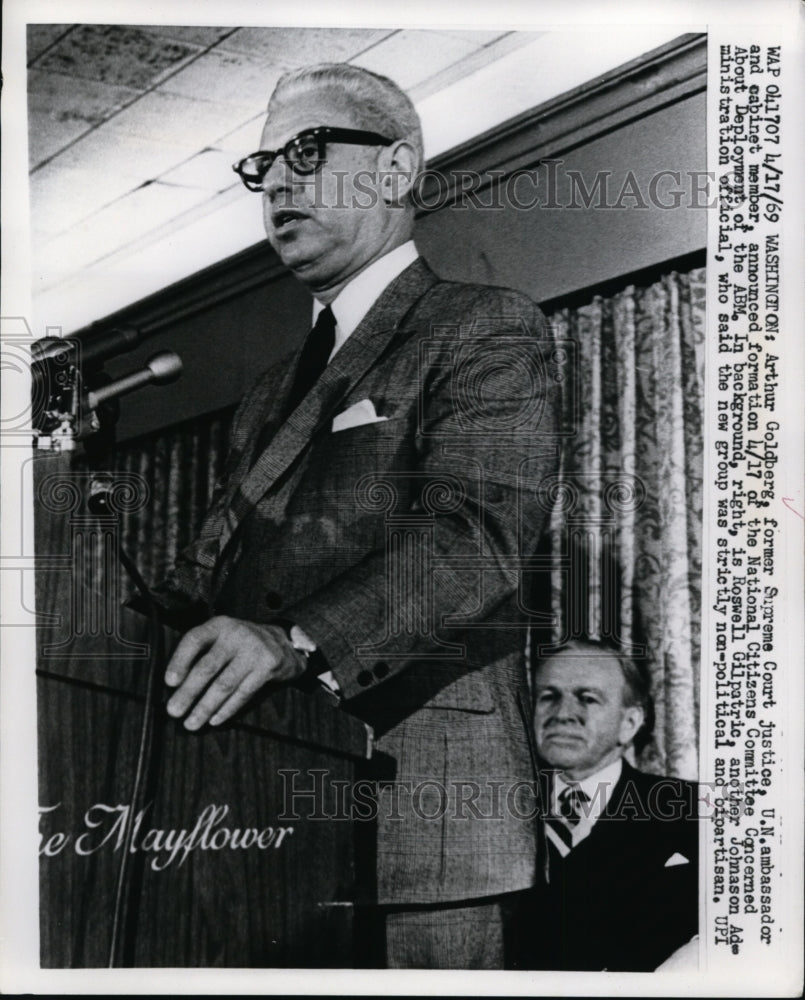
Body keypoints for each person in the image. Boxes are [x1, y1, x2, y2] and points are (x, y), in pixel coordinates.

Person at [150, 63, 559, 969]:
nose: (278, 185)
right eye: (263, 167)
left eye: (305, 150)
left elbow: (477, 540)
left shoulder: (482, 325)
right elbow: (202, 576)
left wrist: (294, 639)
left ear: (394, 169)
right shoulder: (264, 397)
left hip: (426, 828)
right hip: (264, 817)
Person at [519, 640, 698, 972]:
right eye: (548, 696)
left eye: (587, 698)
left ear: (629, 723)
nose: (562, 714)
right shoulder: (497, 809)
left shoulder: (689, 808)